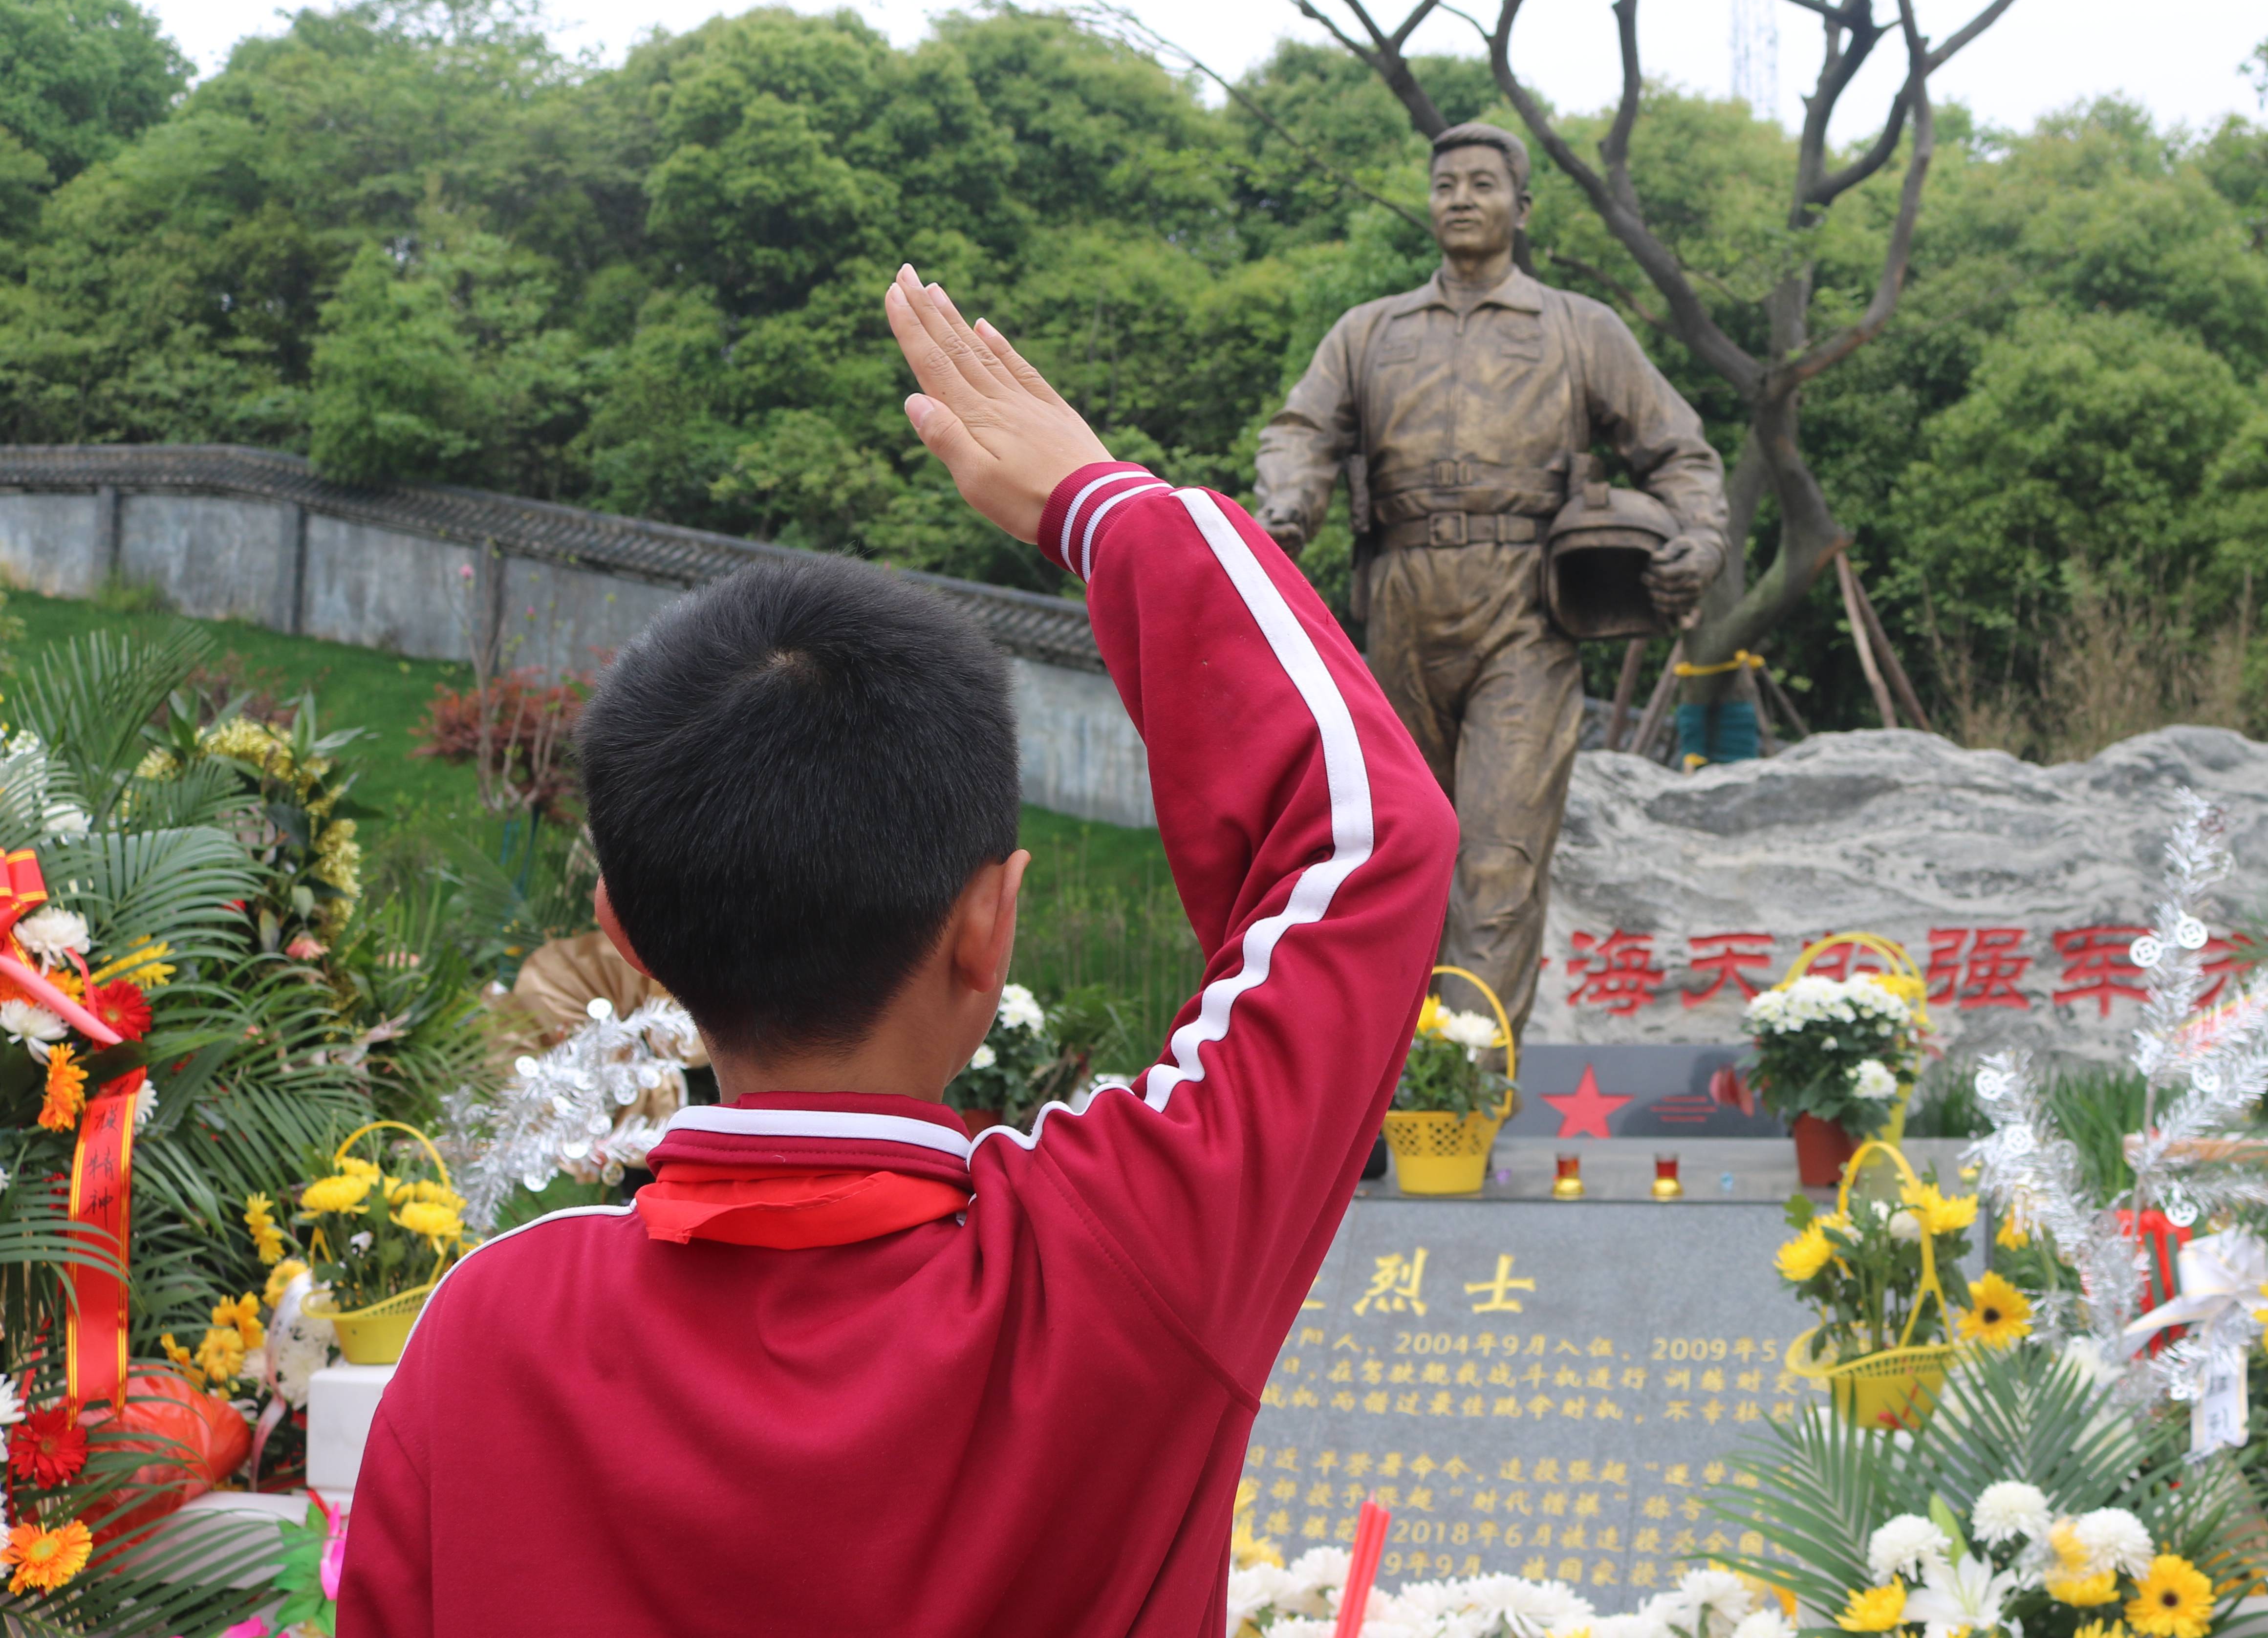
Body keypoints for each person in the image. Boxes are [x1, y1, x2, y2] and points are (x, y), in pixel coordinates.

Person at [340, 267, 1458, 1635]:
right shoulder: (1112, 1267)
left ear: (625, 939)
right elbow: (1372, 838)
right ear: (989, 925)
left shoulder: (488, 1336)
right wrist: (1106, 507)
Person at [1253, 122, 1726, 1034]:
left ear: (1522, 207)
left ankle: (1467, 1091)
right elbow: (1301, 433)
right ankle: (1387, 1090)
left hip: (1528, 613)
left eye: (1481, 183)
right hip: (1397, 605)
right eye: (1445, 185)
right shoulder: (1370, 331)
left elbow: (1679, 451)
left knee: (1499, 858)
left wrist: (1699, 539)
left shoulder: (1580, 329)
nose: (1461, 198)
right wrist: (1288, 506)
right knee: (1394, 859)